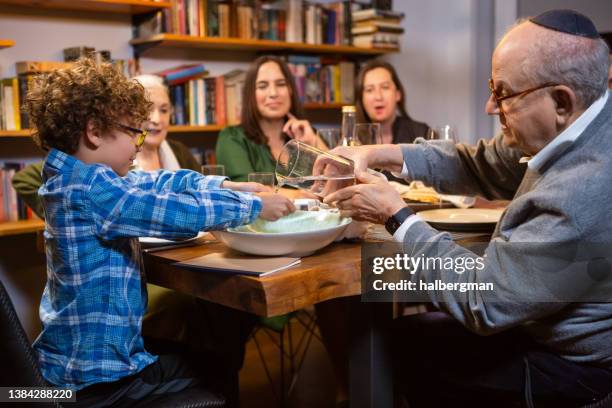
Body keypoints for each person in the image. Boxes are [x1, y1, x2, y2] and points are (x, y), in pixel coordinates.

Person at [324, 9, 612, 407]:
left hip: (572, 370)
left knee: (394, 342)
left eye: (504, 93)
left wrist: (397, 216)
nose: (490, 107)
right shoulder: (581, 125)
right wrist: (376, 153)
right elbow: (483, 162)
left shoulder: (582, 190)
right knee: (403, 314)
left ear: (561, 101)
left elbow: (484, 300)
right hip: (535, 318)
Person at [25, 57, 295, 407]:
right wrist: (254, 208)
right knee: (218, 363)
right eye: (133, 133)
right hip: (98, 379)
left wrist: (229, 185)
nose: (139, 145)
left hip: (72, 362)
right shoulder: (92, 190)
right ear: (94, 131)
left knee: (207, 346)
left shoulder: (75, 177)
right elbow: (172, 212)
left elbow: (157, 181)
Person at [216, 55, 325, 186]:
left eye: (281, 84)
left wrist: (314, 142)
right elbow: (245, 190)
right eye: (262, 86)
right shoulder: (232, 137)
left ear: (290, 90)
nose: (273, 93)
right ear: (251, 95)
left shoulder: (308, 133)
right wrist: (301, 196)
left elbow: (337, 184)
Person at [356, 60, 430, 145]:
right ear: (361, 98)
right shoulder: (351, 139)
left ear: (398, 94)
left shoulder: (421, 133)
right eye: (369, 90)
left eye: (385, 87)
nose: (378, 97)